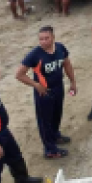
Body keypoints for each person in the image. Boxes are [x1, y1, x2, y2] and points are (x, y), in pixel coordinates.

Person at [15, 26, 77, 159]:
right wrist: (36, 85)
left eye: (46, 38)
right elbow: (19, 74)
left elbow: (67, 64)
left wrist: (72, 82)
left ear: (53, 37)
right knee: (45, 121)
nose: (43, 42)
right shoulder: (34, 54)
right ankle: (50, 149)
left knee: (57, 114)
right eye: (40, 39)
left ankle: (55, 136)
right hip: (44, 92)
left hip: (58, 87)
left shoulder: (60, 48)